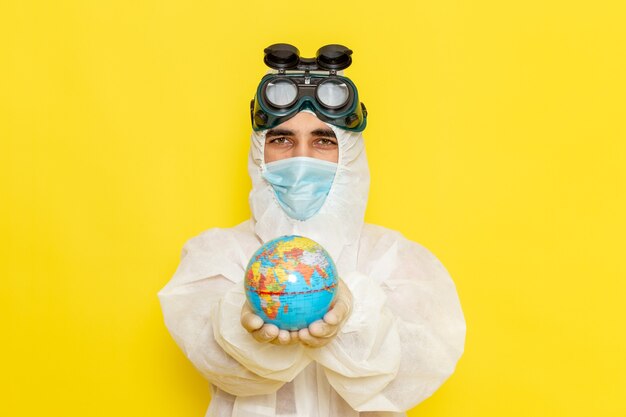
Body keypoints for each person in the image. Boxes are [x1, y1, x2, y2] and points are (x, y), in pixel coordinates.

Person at [158, 44, 466, 417]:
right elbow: (219, 364)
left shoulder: (398, 262)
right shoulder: (216, 258)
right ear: (259, 152)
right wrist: (239, 325)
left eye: (323, 140)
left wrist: (354, 314)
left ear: (350, 151)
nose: (300, 158)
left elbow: (410, 374)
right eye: (281, 140)